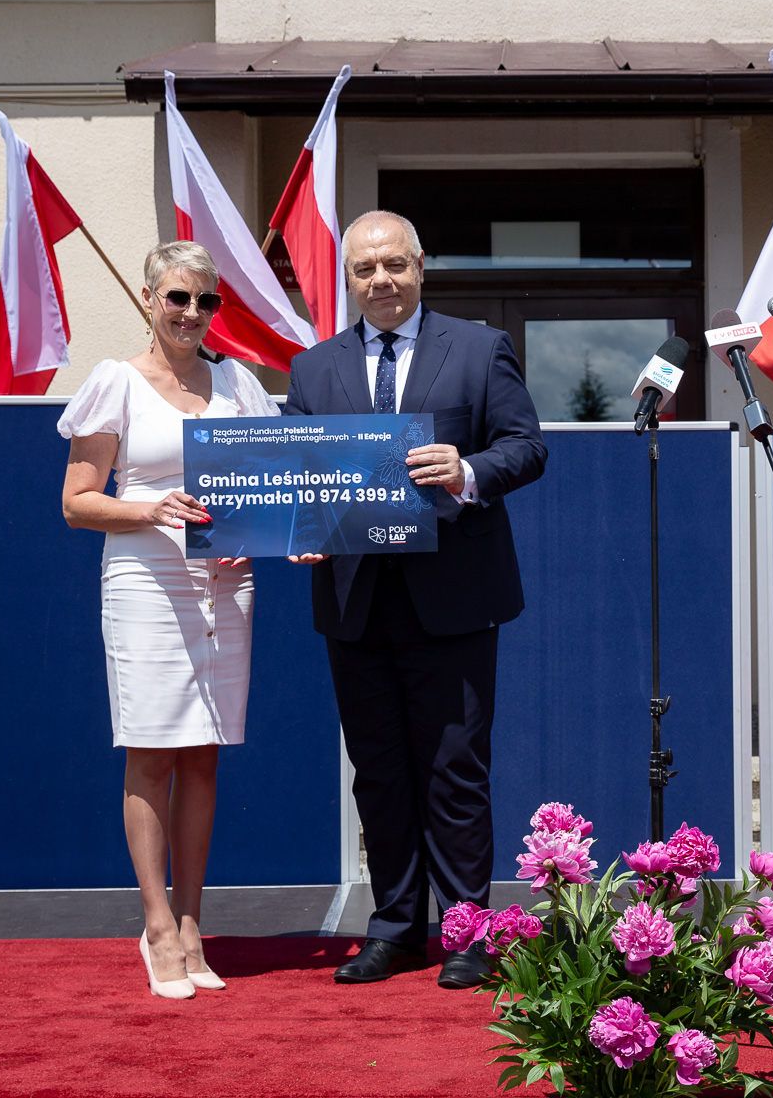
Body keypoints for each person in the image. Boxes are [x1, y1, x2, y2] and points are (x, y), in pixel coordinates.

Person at [284, 210, 547, 989]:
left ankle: (467, 933)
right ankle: (396, 929)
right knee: (379, 772)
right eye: (365, 269)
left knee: (454, 770)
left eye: (395, 265)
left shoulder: (478, 348)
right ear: (347, 279)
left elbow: (526, 446)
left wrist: (467, 471)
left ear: (421, 265)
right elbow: (295, 473)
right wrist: (296, 525)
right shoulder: (312, 369)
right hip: (355, 598)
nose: (381, 280)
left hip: (454, 596)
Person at [58, 239, 279, 1001]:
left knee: (205, 757)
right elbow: (77, 502)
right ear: (150, 299)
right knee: (152, 751)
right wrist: (152, 509)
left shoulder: (240, 383)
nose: (191, 312)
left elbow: (266, 490)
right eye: (177, 297)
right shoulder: (115, 381)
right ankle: (156, 926)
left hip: (227, 584)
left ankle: (192, 925)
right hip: (146, 584)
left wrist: (272, 536)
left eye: (205, 300)